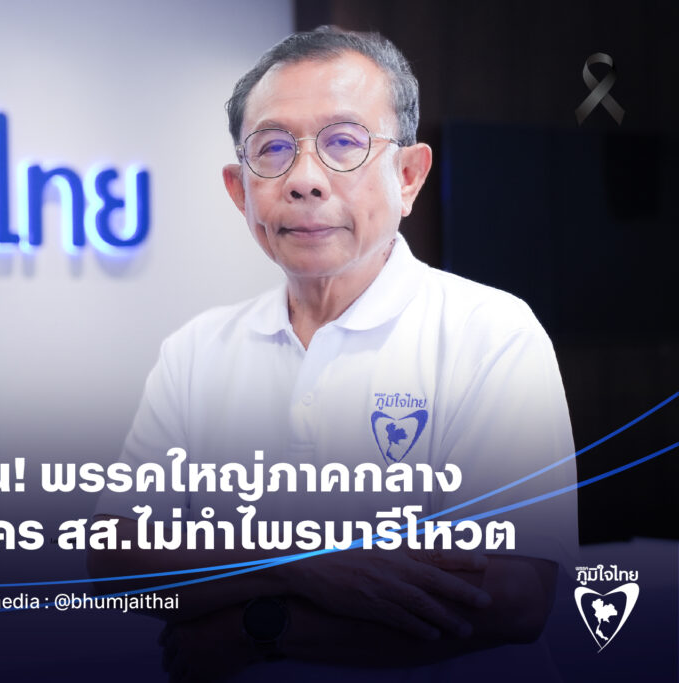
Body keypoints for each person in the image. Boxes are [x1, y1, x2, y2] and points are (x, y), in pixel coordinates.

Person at [90, 26, 577, 683]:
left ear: (408, 176)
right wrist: (302, 560)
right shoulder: (196, 350)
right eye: (273, 149)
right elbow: (116, 559)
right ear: (239, 190)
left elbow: (513, 597)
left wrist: (253, 629)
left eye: (343, 142)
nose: (304, 180)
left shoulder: (489, 333)